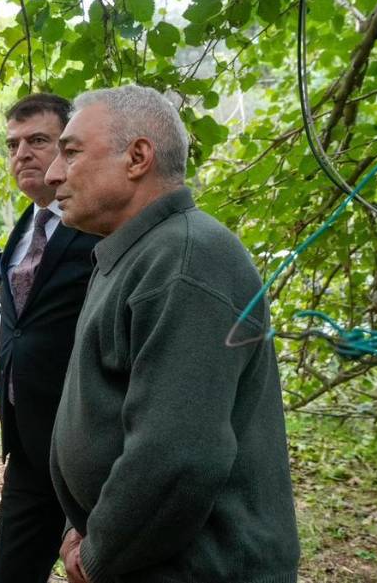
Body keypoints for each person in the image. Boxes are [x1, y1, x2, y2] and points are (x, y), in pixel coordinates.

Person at [45, 85, 299, 583]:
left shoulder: (186, 258)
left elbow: (178, 455)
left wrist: (99, 555)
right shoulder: (139, 252)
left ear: (138, 156)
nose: (54, 172)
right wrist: (85, 526)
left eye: (71, 152)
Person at [0, 94, 99, 582]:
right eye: (13, 144)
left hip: (89, 448)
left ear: (70, 149)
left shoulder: (101, 228)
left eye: (39, 141)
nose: (22, 154)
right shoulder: (25, 225)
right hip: (29, 449)